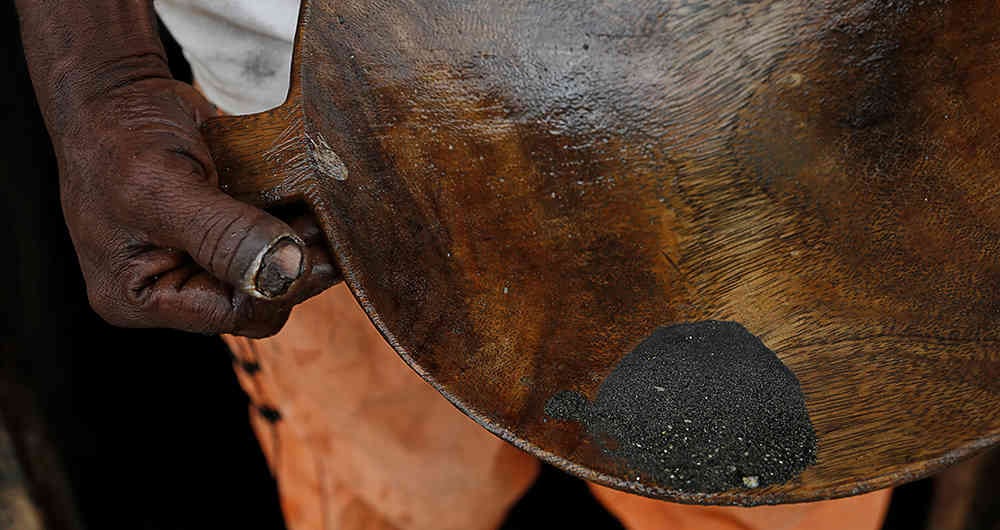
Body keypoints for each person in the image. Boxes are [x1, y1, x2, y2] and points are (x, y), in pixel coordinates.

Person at [15, 1, 892, 528]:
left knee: (766, 502)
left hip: (760, 139)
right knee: (388, 500)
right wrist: (101, 74)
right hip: (311, 151)